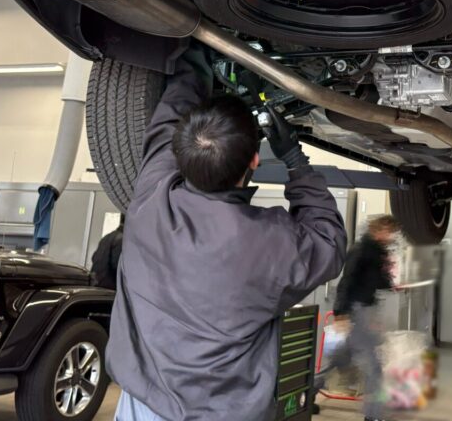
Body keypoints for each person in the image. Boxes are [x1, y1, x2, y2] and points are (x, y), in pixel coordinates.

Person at [107, 54, 347, 421]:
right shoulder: (265, 243)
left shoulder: (151, 202)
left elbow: (327, 241)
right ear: (254, 161)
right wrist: (294, 159)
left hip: (144, 406)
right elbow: (328, 240)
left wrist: (197, 45)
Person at [315, 215, 401, 421]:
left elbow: (377, 282)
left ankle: (306, 394)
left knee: (338, 360)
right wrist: (340, 313)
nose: (391, 235)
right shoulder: (361, 250)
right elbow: (347, 281)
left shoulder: (378, 252)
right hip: (357, 312)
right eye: (389, 231)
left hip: (366, 310)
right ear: (378, 229)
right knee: (374, 366)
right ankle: (373, 415)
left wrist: (390, 280)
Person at [89, 216, 123, 290]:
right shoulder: (122, 240)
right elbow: (118, 266)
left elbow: (94, 257)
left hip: (95, 285)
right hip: (109, 288)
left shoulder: (106, 237)